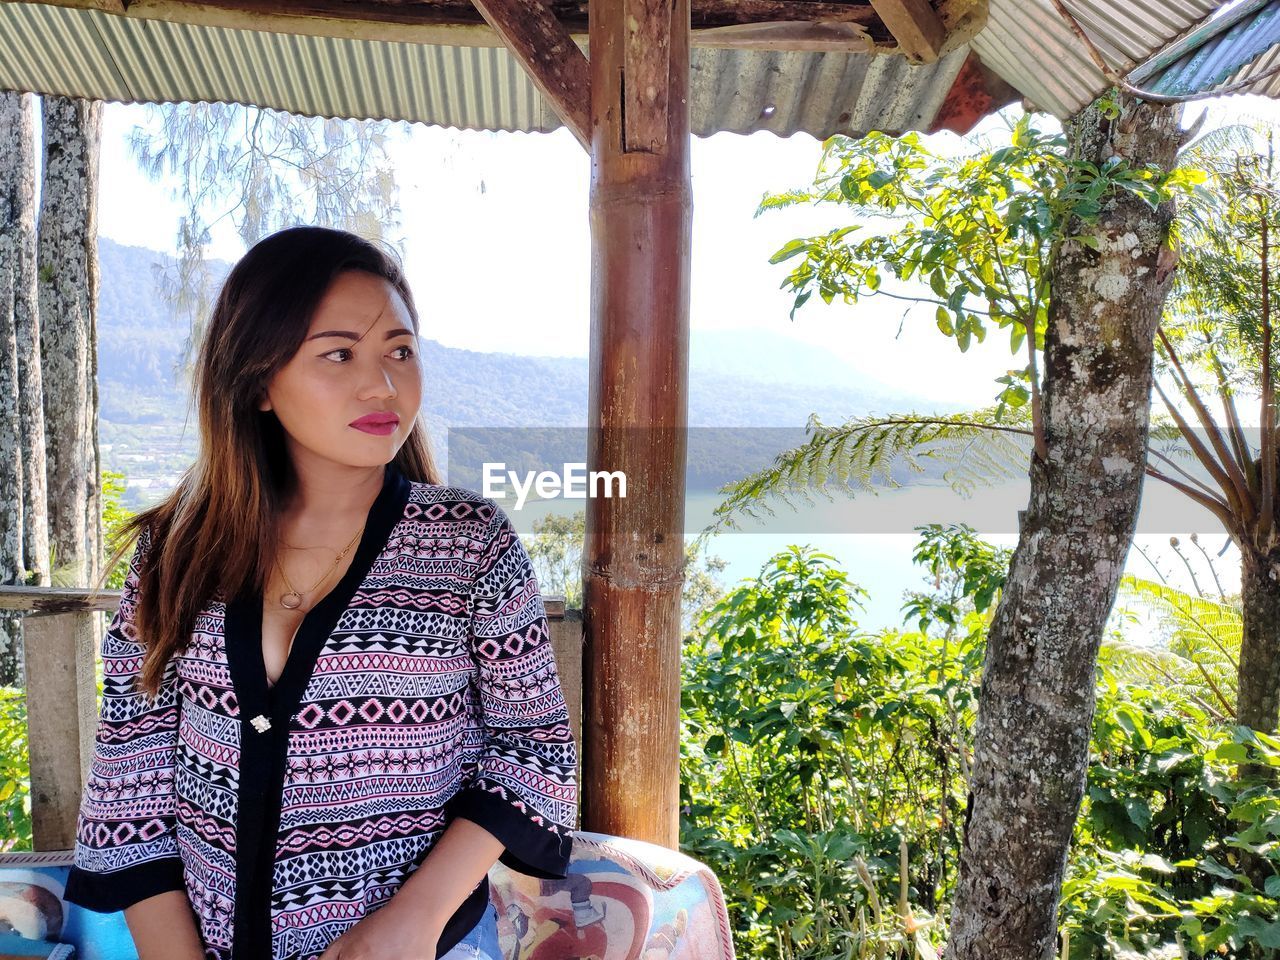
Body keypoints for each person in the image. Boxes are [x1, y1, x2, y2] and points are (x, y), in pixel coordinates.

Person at [64, 226, 579, 960]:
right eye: (340, 354)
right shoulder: (174, 553)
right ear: (258, 380)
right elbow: (130, 769)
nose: (384, 385)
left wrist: (413, 921)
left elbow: (536, 750)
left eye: (400, 351)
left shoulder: (468, 545)